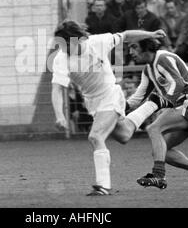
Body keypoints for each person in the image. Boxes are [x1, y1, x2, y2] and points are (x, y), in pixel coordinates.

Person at [51, 20, 165, 195]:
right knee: (124, 135)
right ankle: (153, 103)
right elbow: (57, 89)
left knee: (95, 137)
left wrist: (150, 34)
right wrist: (59, 115)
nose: (63, 48)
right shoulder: (61, 59)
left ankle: (103, 186)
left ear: (77, 39)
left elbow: (126, 35)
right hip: (93, 103)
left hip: (111, 95)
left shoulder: (98, 42)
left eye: (65, 44)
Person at [113, 38, 188, 189]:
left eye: (134, 47)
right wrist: (117, 110)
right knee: (162, 151)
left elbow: (178, 84)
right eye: (129, 48)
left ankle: (158, 176)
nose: (130, 52)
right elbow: (138, 97)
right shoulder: (148, 69)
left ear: (146, 46)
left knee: (153, 129)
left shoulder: (162, 58)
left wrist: (165, 101)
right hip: (185, 104)